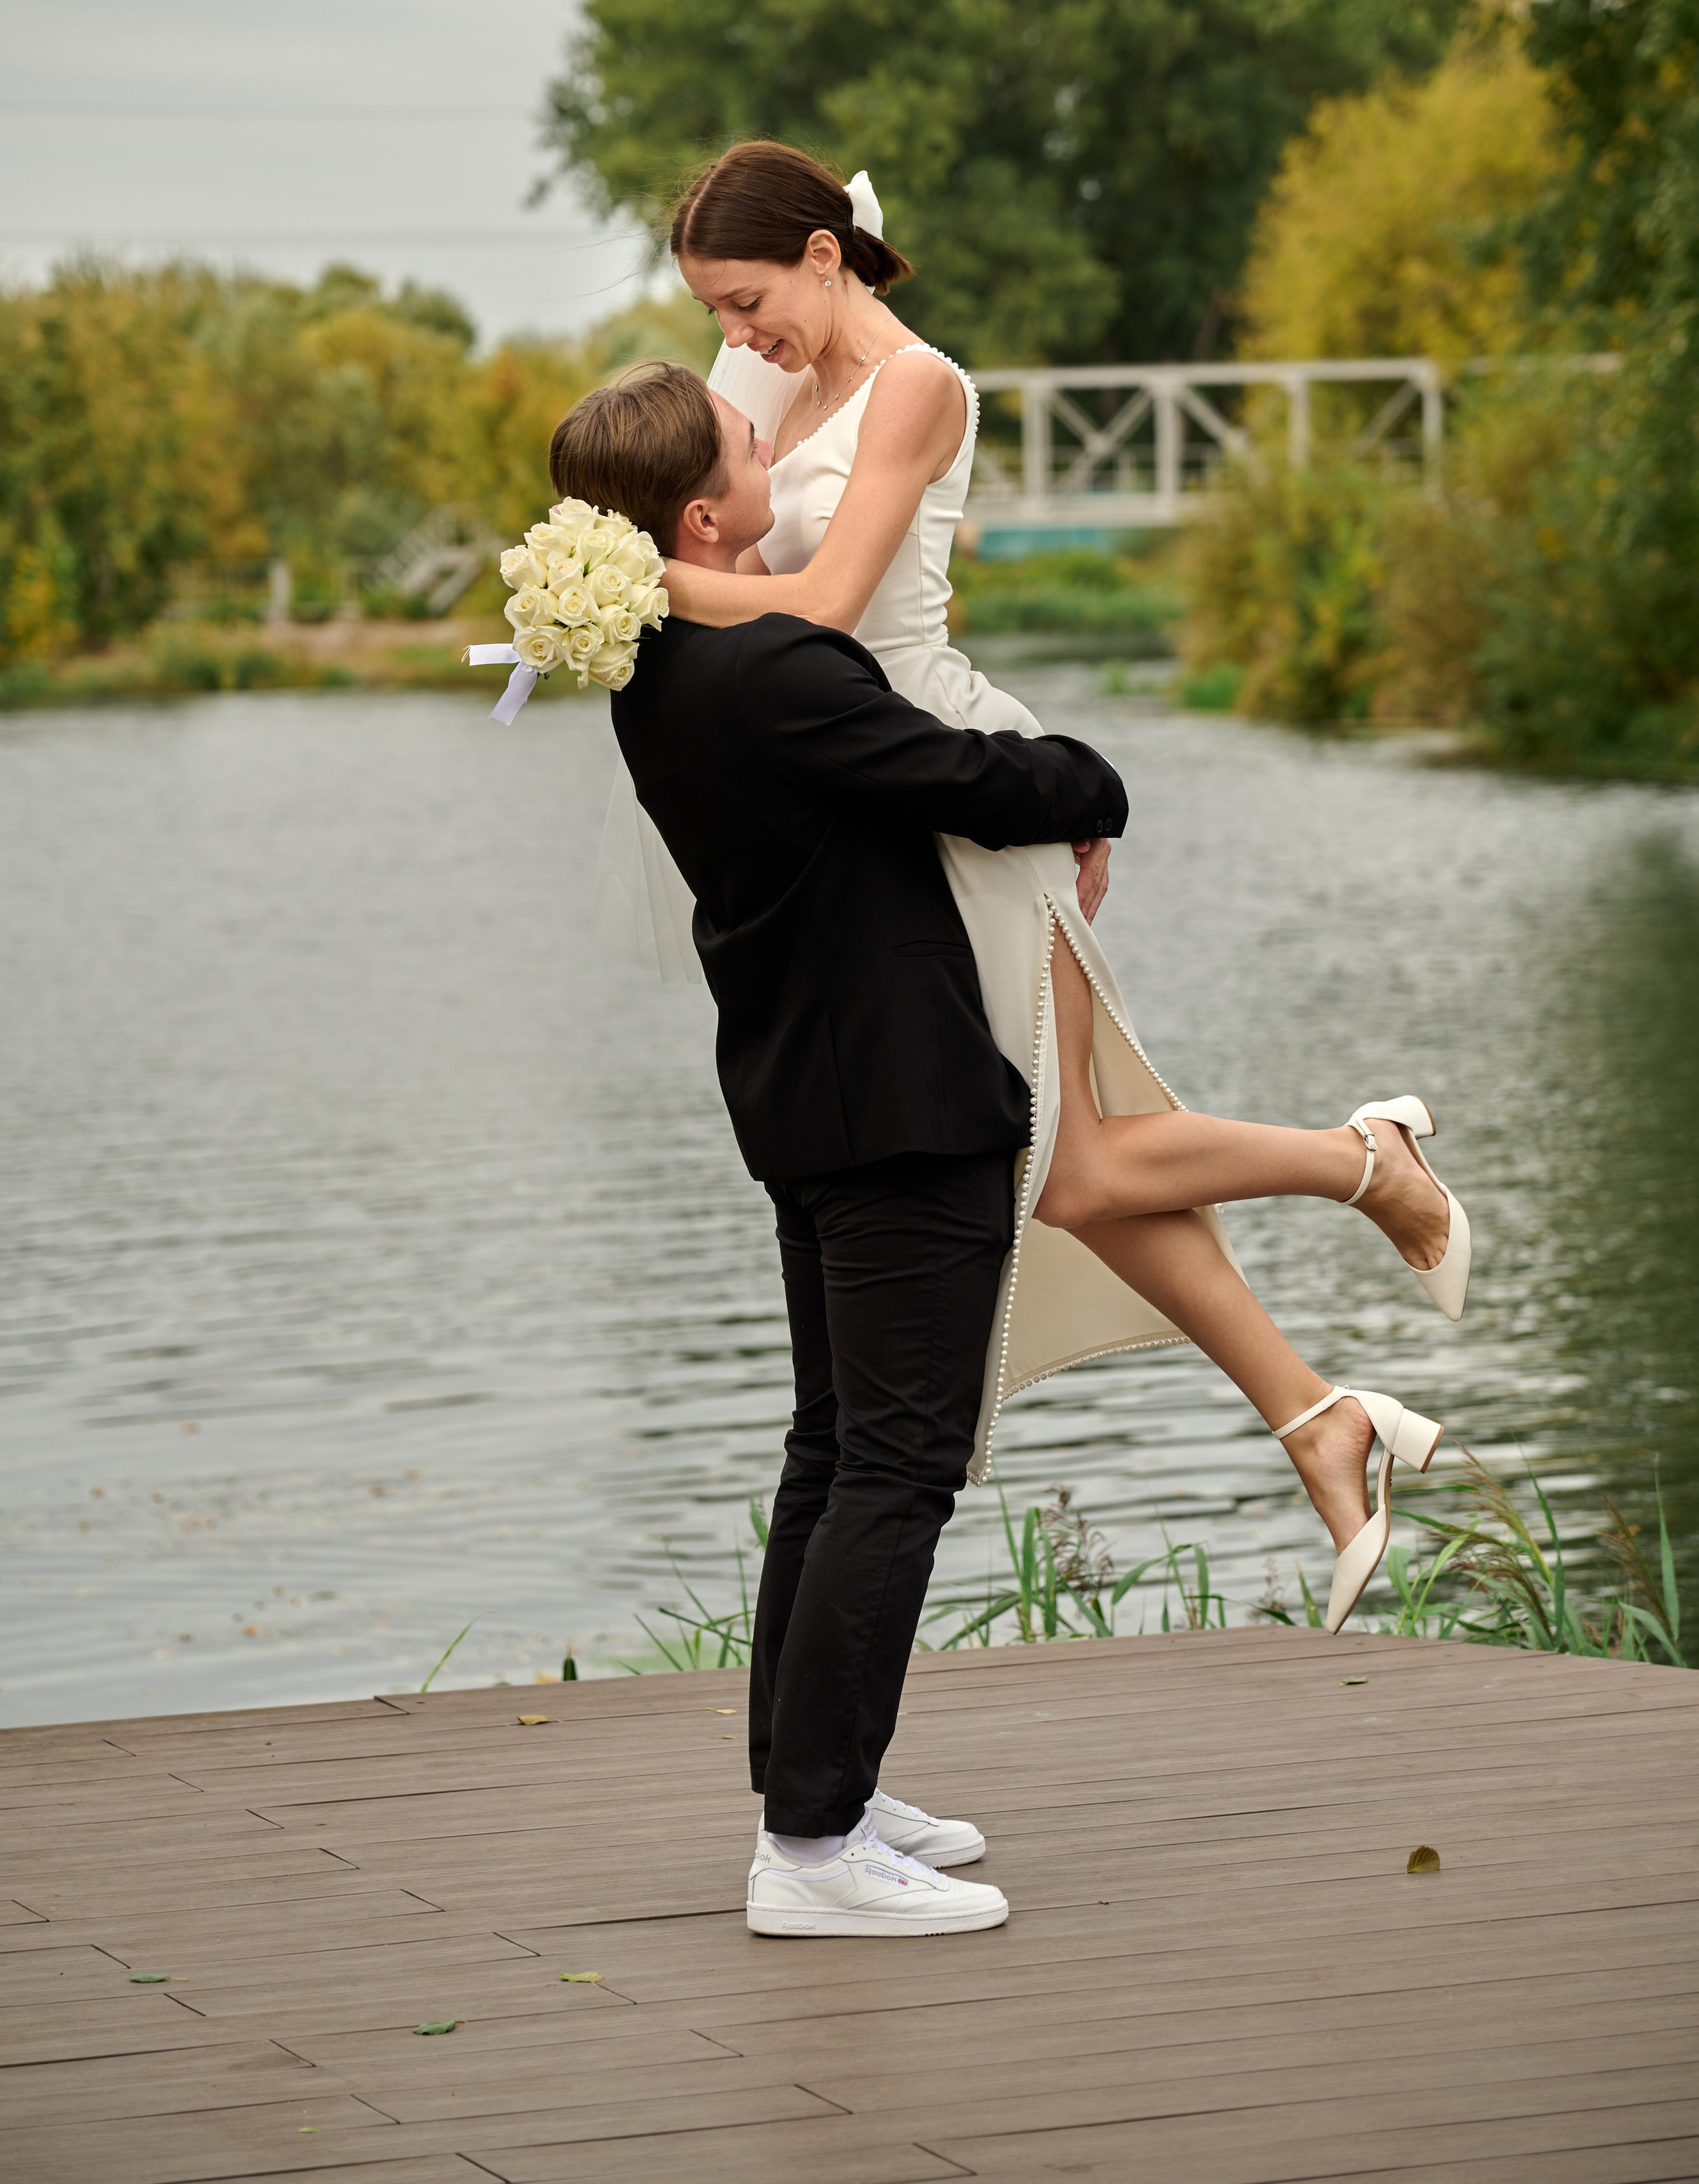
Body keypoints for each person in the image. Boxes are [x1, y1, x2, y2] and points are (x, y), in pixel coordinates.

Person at [608, 141, 1469, 1638]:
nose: (735, 340)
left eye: (748, 301)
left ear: (824, 254)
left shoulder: (917, 387)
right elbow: (699, 515)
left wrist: (639, 587)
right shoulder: (752, 384)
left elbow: (815, 610)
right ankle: (1319, 1410)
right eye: (716, 314)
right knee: (1070, 1164)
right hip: (859, 806)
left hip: (944, 770)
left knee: (1064, 1167)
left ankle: (1363, 1166)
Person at [549, 362, 1133, 1938]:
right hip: (895, 1106)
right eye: (751, 447)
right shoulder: (776, 675)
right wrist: (1097, 782)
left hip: (805, 1098)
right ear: (702, 515)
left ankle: (813, 1790)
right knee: (897, 1463)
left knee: (830, 1451)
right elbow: (971, 780)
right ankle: (808, 1856)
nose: (773, 449)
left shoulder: (663, 672)